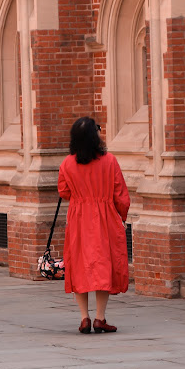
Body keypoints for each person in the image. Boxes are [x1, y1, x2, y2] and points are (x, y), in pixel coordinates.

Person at [58, 116, 130, 334]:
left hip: (79, 219)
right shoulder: (110, 161)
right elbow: (121, 195)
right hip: (105, 218)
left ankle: (84, 318)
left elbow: (64, 192)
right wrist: (122, 217)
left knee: (79, 265)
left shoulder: (67, 163)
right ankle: (100, 317)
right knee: (103, 265)